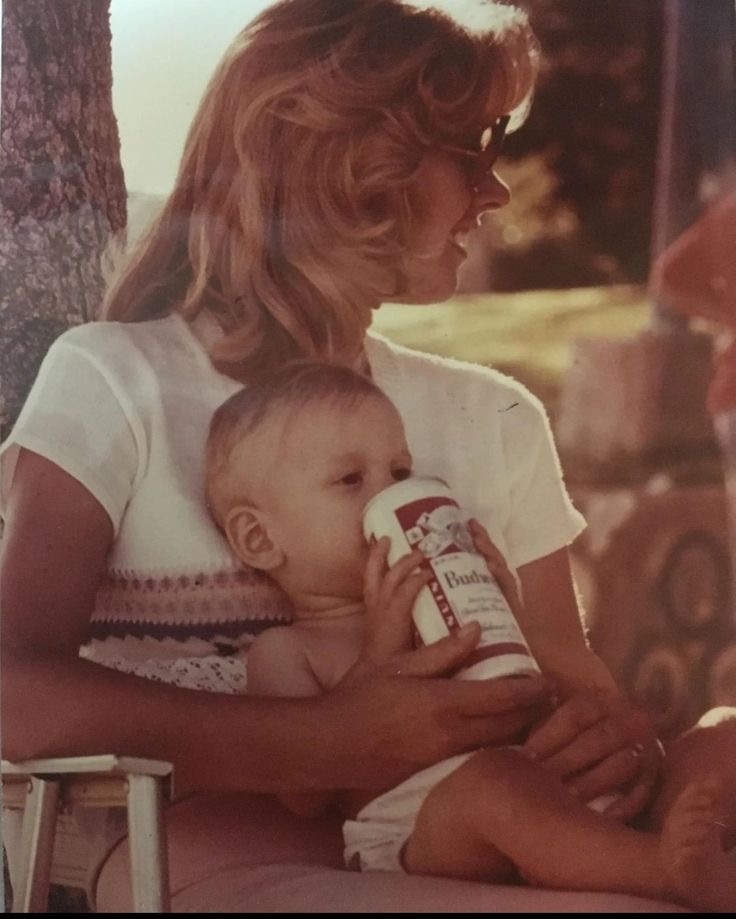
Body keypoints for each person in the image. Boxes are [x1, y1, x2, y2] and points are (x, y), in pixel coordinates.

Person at [1, 0, 733, 911]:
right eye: (473, 154)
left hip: (501, 834)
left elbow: (572, 679)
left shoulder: (493, 412)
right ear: (351, 166)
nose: (497, 194)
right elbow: (12, 691)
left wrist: (608, 735)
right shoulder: (120, 384)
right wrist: (329, 737)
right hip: (218, 852)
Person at [204, 359, 734, 912]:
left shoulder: (452, 602)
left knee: (724, 733)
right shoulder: (288, 650)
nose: (386, 495)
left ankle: (678, 845)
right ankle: (661, 870)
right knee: (495, 782)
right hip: (433, 827)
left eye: (401, 474)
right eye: (349, 481)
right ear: (259, 538)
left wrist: (514, 619)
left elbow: (559, 691)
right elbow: (302, 792)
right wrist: (384, 646)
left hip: (565, 795)